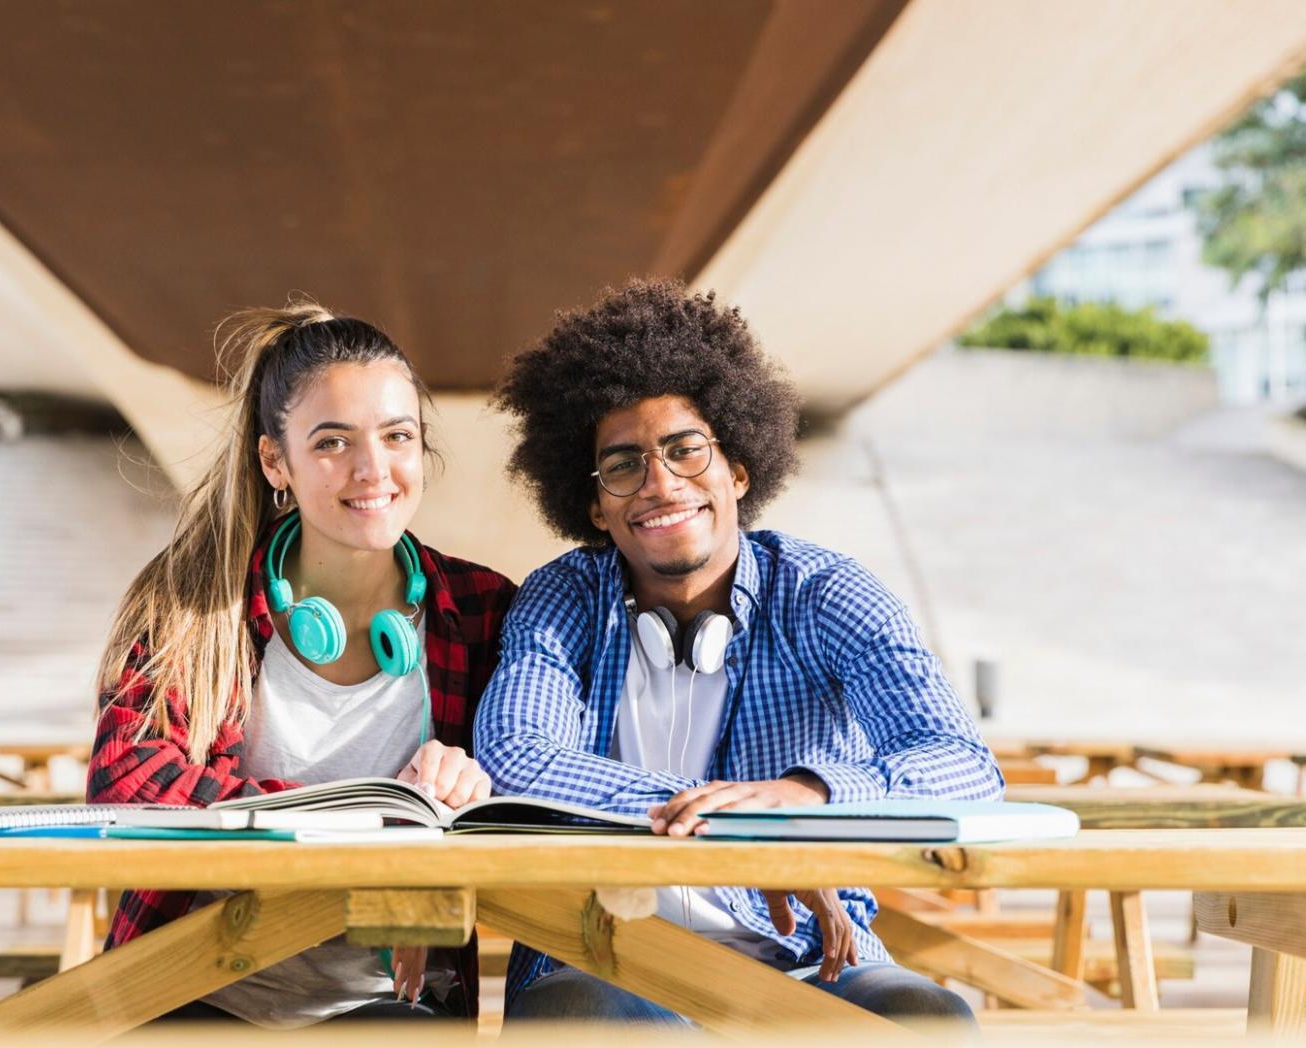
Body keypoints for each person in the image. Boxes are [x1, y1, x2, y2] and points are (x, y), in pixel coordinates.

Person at [476, 278, 1003, 1026]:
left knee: (929, 1019)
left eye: (686, 451)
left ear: (738, 470)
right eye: (622, 465)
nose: (660, 484)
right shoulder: (563, 598)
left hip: (810, 957)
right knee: (573, 1021)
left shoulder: (826, 593)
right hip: (601, 958)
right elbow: (516, 757)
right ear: (594, 506)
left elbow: (963, 764)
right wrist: (737, 833)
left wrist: (805, 796)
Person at [88, 302, 515, 1026]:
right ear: (274, 462)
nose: (372, 469)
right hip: (190, 996)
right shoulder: (191, 604)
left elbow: (535, 786)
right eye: (332, 442)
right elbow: (125, 783)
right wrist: (370, 821)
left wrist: (468, 796)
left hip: (388, 1008)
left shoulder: (482, 610)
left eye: (397, 436)